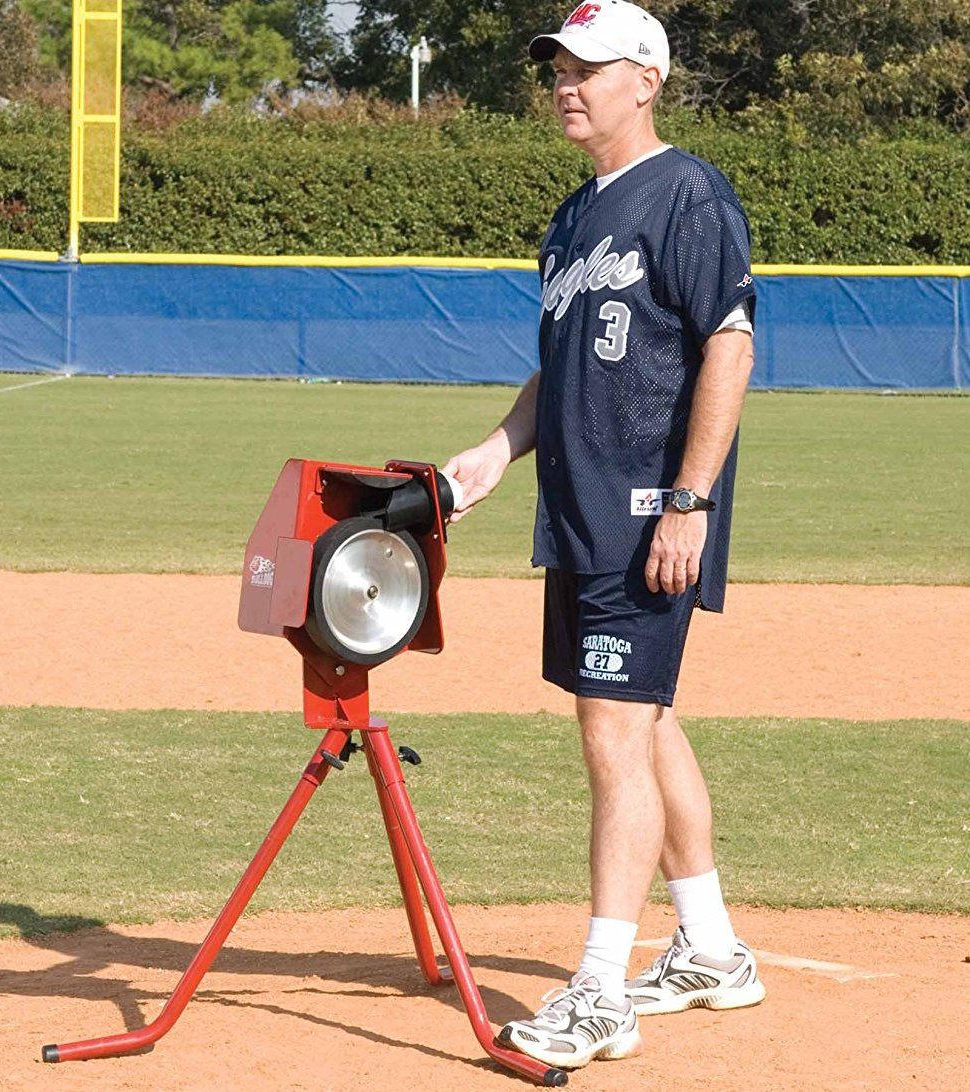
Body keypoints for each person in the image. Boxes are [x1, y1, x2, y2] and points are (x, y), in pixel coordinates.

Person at [441, 0, 766, 1072]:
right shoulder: (575, 217)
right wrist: (496, 451)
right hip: (581, 514)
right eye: (558, 69)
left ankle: (600, 991)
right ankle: (710, 949)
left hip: (646, 517)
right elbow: (562, 367)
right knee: (646, 720)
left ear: (646, 80)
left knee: (613, 736)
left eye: (588, 67)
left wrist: (689, 501)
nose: (566, 85)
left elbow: (729, 348)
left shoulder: (687, 194)